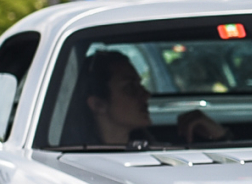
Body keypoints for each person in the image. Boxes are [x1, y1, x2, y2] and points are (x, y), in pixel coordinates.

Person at [81, 51, 227, 149]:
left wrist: (221, 137)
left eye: (140, 84)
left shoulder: (157, 152)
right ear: (98, 104)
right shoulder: (76, 170)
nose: (146, 94)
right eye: (130, 88)